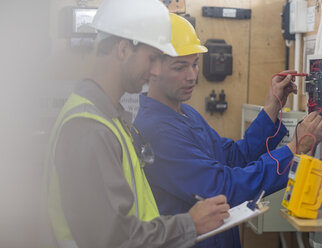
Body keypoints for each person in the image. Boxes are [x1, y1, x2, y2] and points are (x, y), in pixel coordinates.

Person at [44, 1, 230, 248]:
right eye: (152, 58)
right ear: (122, 49)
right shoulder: (89, 128)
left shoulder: (109, 118)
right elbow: (112, 239)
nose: (155, 71)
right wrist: (189, 224)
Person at [134, 13, 322, 248]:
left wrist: (271, 110)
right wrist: (294, 149)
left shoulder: (185, 113)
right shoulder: (157, 130)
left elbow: (234, 156)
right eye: (179, 67)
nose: (192, 75)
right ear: (152, 69)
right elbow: (222, 188)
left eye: (195, 64)